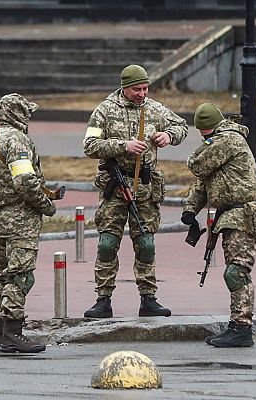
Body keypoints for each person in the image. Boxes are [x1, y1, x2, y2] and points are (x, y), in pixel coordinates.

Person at [82, 64, 188, 318]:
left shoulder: (154, 109)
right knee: (108, 243)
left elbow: (182, 126)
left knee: (146, 244)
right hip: (115, 187)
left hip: (145, 188)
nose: (142, 93)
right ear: (124, 88)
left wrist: (169, 135)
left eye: (145, 88)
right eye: (136, 89)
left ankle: (148, 298)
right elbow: (90, 145)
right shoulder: (105, 111)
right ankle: (103, 299)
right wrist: (123, 146)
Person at [181, 103, 256, 348]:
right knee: (234, 271)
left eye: (204, 134)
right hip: (231, 217)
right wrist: (190, 210)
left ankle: (242, 328)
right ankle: (237, 326)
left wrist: (204, 147)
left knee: (236, 272)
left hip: (244, 215)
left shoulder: (228, 140)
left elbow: (197, 164)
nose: (203, 138)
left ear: (210, 128)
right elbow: (203, 180)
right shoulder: (219, 142)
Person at [0, 93, 56, 353]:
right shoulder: (17, 140)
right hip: (20, 219)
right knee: (21, 276)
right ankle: (13, 334)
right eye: (27, 113)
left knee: (3, 275)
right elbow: (24, 181)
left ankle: (0, 333)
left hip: (1, 215)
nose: (29, 118)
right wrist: (46, 205)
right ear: (18, 114)